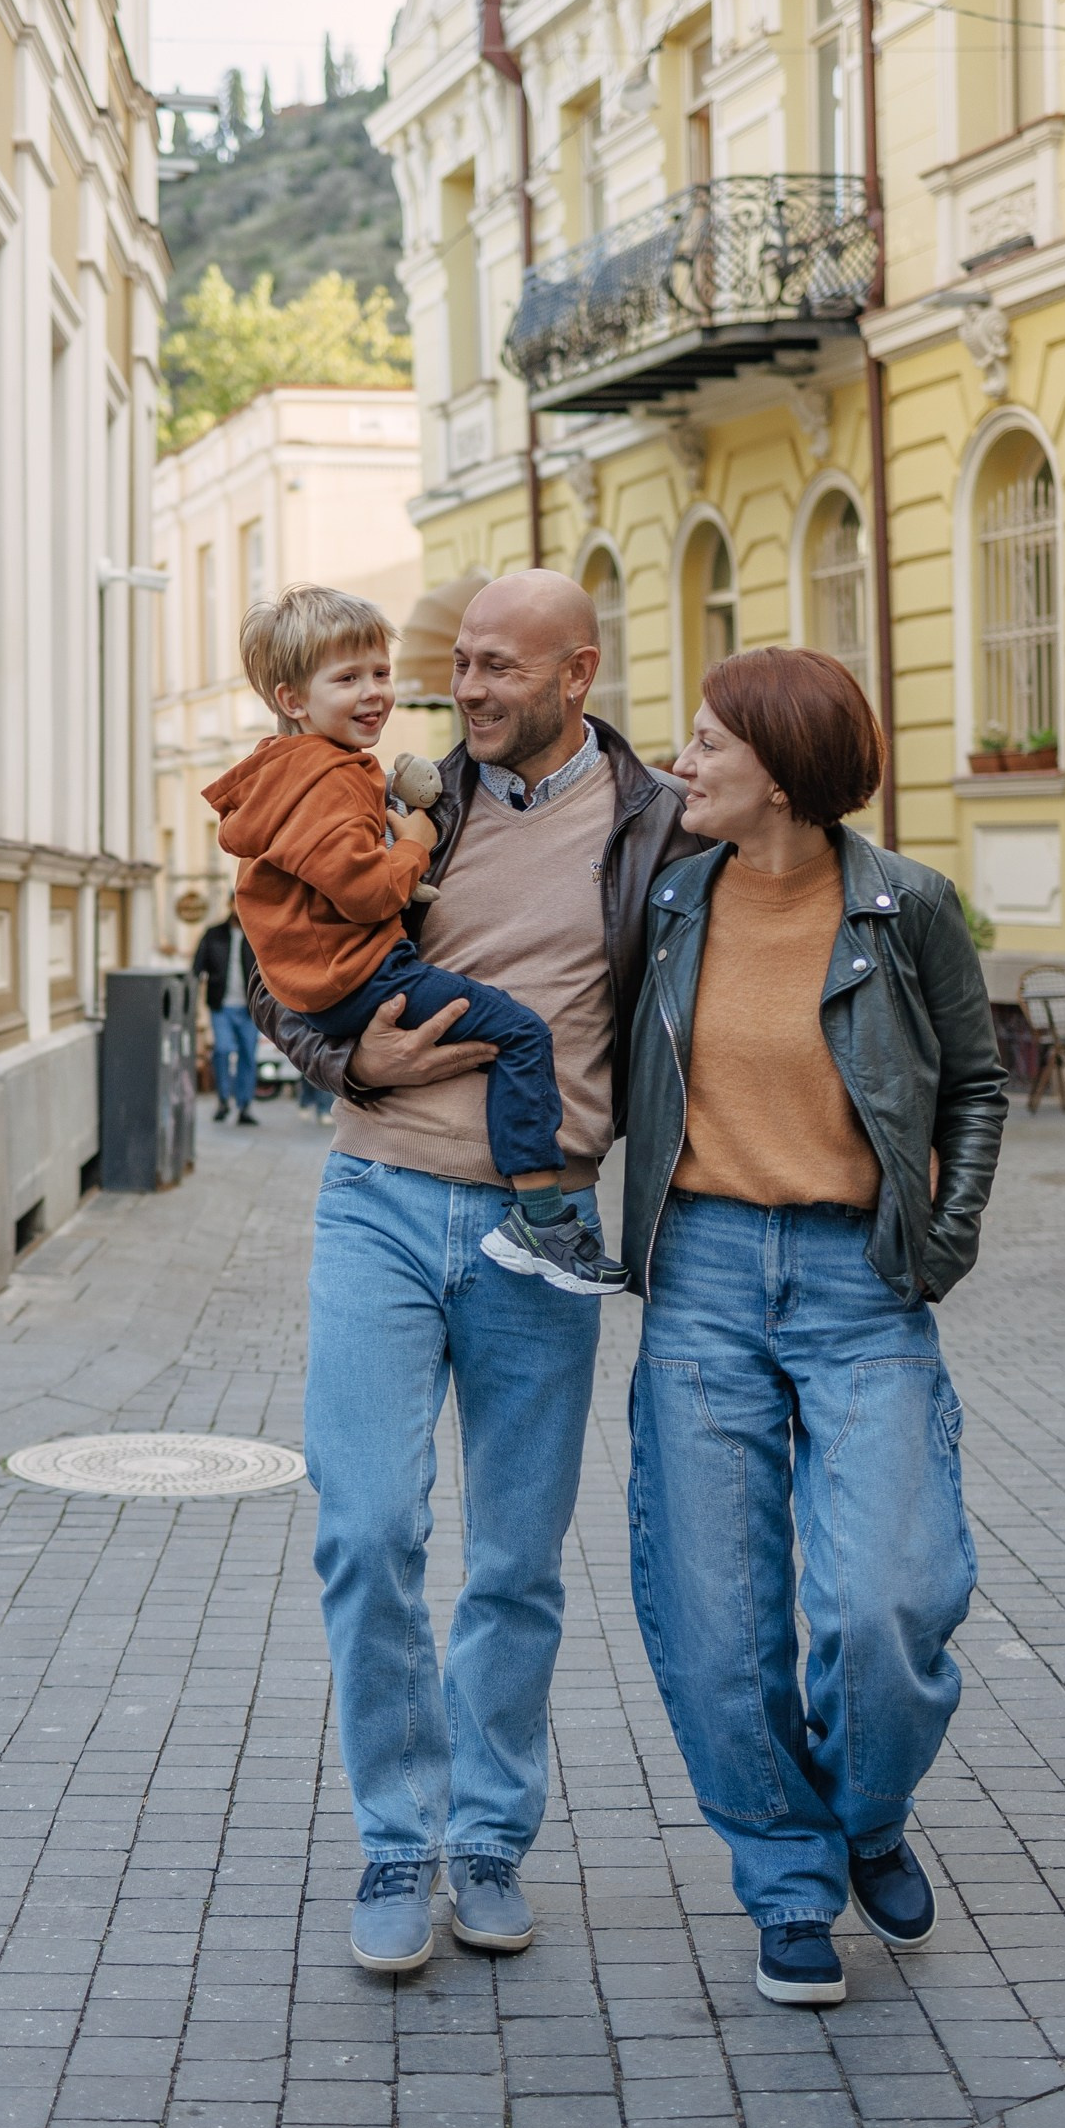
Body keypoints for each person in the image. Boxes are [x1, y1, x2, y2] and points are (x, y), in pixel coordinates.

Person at [247, 572, 695, 1972]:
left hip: (540, 1229)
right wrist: (345, 1058)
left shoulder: (658, 824)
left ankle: (488, 1840)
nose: (466, 691)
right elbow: (274, 966)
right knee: (367, 1528)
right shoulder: (405, 796)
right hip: (377, 1203)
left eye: (498, 667)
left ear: (577, 673)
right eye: (460, 667)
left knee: (513, 1560)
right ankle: (397, 1839)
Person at [619, 648, 1008, 2009]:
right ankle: (789, 1881)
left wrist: (942, 1241)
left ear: (780, 774)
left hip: (858, 1276)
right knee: (717, 1617)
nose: (682, 761)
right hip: (703, 1268)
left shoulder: (907, 908)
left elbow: (974, 1084)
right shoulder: (668, 901)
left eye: (708, 743)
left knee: (888, 1598)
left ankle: (867, 1812)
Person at [206, 585, 626, 1295]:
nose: (375, 692)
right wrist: (414, 846)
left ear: (577, 673)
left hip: (341, 978)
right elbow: (363, 891)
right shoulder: (330, 780)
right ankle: (540, 1217)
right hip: (367, 1003)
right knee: (522, 1033)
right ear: (293, 700)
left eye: (380, 672)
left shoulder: (298, 772)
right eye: (348, 678)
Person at [193, 903, 261, 1126]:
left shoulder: (257, 933)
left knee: (248, 1055)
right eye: (235, 903)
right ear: (229, 905)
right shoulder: (213, 934)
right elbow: (197, 967)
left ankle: (244, 1105)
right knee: (222, 1050)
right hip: (221, 1005)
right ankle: (223, 1100)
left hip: (250, 1008)